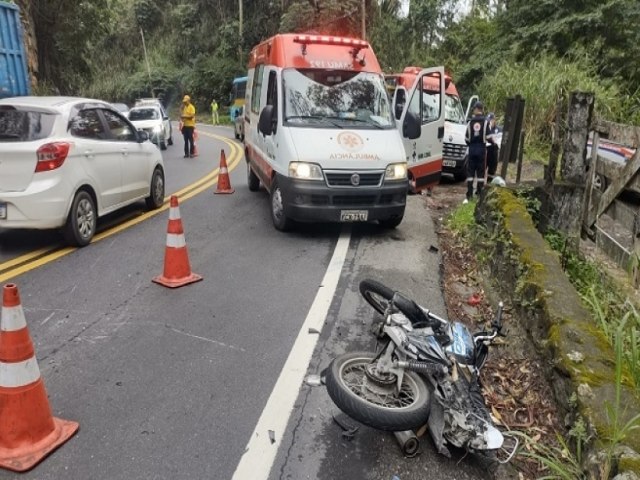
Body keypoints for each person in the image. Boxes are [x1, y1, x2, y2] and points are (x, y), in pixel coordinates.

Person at [463, 101, 493, 203]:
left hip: (471, 150)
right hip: (481, 150)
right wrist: (493, 143)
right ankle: (479, 194)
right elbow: (489, 138)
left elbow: (466, 139)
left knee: (470, 173)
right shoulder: (485, 122)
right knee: (480, 173)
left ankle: (469, 194)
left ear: (475, 110)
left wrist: (472, 145)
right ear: (482, 109)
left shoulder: (470, 122)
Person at [486, 112, 500, 183]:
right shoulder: (486, 128)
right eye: (488, 121)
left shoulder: (498, 129)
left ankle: (489, 184)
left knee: (491, 171)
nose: (490, 122)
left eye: (491, 120)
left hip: (494, 151)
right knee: (482, 169)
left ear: (494, 120)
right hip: (486, 151)